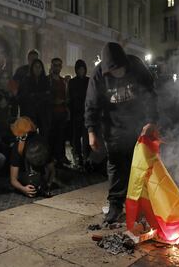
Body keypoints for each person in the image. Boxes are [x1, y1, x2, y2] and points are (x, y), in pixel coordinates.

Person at [85, 42, 158, 223]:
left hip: (138, 125)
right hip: (113, 126)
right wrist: (91, 131)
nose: (118, 73)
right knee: (116, 165)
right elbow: (91, 105)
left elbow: (151, 95)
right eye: (113, 71)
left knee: (140, 165)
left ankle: (143, 203)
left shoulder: (137, 66)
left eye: (120, 69)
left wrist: (151, 120)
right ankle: (115, 205)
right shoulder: (98, 75)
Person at [9, 117, 55, 197]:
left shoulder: (41, 142)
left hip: (39, 177)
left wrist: (47, 185)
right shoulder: (19, 147)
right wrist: (24, 189)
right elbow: (52, 169)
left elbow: (13, 179)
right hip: (29, 177)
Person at [17, 59, 51, 139]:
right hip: (30, 115)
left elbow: (48, 96)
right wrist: (41, 95)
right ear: (32, 68)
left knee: (43, 138)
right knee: (30, 138)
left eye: (39, 67)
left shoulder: (45, 81)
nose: (37, 69)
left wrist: (34, 95)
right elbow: (23, 96)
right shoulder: (26, 80)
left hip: (43, 116)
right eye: (36, 67)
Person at [48, 58, 70, 166]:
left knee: (61, 137)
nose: (57, 67)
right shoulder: (48, 80)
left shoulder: (63, 81)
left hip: (62, 112)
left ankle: (61, 156)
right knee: (52, 137)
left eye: (59, 65)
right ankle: (52, 158)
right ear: (52, 66)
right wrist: (53, 102)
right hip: (51, 113)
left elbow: (66, 96)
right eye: (55, 65)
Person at [69, 60, 90, 167]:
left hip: (86, 113)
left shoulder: (88, 81)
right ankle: (78, 156)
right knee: (76, 136)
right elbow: (71, 98)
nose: (81, 71)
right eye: (79, 69)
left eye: (82, 69)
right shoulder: (72, 82)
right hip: (76, 113)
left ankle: (87, 156)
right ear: (76, 70)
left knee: (86, 136)